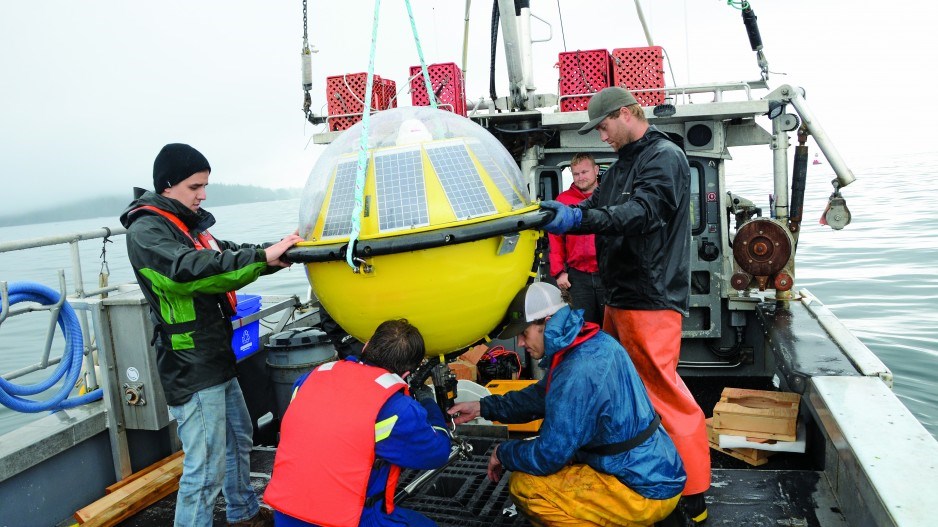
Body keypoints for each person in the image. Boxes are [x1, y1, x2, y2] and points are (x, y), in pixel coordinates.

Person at [539, 86, 711, 524]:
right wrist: (554, 211)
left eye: (603, 126)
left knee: (661, 391)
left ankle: (693, 492)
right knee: (625, 392)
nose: (601, 136)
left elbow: (643, 213)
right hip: (620, 296)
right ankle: (645, 475)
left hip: (650, 297)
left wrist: (579, 218)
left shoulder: (664, 157)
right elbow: (595, 204)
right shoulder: (623, 164)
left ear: (625, 114)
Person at [120, 143, 304, 527]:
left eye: (205, 186)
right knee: (204, 471)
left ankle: (243, 512)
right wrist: (261, 258)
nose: (202, 195)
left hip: (216, 355)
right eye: (195, 186)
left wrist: (276, 252)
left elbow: (226, 252)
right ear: (167, 186)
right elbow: (190, 270)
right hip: (191, 363)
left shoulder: (185, 224)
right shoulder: (146, 231)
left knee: (239, 437)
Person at [449, 282, 685, 526]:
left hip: (642, 488)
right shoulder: (590, 344)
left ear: (548, 322)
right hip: (655, 469)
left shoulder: (577, 369)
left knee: (526, 487)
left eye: (524, 333)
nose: (520, 343)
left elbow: (549, 455)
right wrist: (484, 407)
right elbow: (541, 396)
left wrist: (503, 452)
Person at [264, 319, 452, 527]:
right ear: (406, 375)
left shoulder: (308, 379)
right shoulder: (398, 409)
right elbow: (437, 452)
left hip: (285, 515)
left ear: (365, 346)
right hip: (348, 521)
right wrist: (429, 404)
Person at [548, 153, 605, 324]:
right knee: (583, 328)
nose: (580, 178)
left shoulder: (610, 197)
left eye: (584, 172)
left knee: (613, 328)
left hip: (609, 275)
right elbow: (555, 240)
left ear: (596, 170)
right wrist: (559, 272)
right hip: (578, 278)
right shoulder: (563, 201)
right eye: (576, 174)